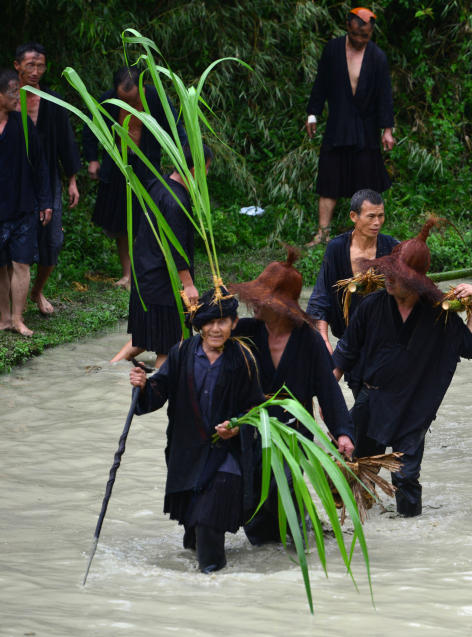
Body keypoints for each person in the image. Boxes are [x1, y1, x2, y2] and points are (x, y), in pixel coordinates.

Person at [331, 219, 472, 517]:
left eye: (395, 275)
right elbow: (344, 354)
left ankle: (410, 529)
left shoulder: (439, 315)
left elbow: (471, 347)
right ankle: (357, 525)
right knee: (351, 467)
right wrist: (323, 396)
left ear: (415, 282)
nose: (387, 279)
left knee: (405, 477)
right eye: (387, 271)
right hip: (371, 400)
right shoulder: (371, 306)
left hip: (414, 408)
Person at [129, 287, 264, 573]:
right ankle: (196, 594)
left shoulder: (244, 359)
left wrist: (236, 426)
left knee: (207, 522)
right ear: (199, 324)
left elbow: (255, 409)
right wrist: (143, 386)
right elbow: (157, 393)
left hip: (226, 456)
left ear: (234, 323)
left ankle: (213, 578)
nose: (216, 329)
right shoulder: (181, 353)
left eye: (223, 321)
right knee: (192, 537)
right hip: (187, 453)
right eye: (209, 322)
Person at [229, 246, 355, 544]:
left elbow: (328, 391)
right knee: (255, 505)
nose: (253, 305)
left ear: (281, 305)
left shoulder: (308, 341)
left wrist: (343, 433)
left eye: (262, 300)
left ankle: (297, 539)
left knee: (285, 491)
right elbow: (209, 342)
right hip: (252, 434)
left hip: (294, 436)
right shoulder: (244, 333)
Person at [111, 144, 210, 367]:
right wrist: (189, 285)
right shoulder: (177, 202)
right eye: (206, 169)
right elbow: (175, 250)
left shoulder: (159, 184)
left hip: (145, 278)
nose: (206, 175)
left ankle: (105, 370)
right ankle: (161, 395)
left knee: (143, 339)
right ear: (194, 169)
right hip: (163, 286)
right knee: (171, 349)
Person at [83, 66, 181, 288]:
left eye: (131, 99)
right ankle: (128, 274)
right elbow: (90, 129)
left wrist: (182, 159)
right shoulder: (108, 100)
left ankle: (148, 270)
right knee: (121, 222)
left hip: (147, 166)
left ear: (142, 88)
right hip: (118, 164)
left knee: (148, 219)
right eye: (122, 99)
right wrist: (93, 159)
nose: (126, 104)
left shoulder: (156, 99)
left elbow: (176, 129)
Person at [305, 7, 394, 247]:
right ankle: (323, 233)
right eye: (356, 35)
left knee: (367, 182)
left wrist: (387, 129)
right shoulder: (333, 50)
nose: (360, 40)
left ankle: (364, 234)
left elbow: (385, 95)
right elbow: (320, 84)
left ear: (371, 33)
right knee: (328, 180)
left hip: (366, 127)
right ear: (348, 26)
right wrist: (312, 113)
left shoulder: (377, 57)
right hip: (338, 123)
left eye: (365, 36)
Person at [14, 43, 81, 316]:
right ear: (17, 65)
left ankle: (37, 291)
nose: (35, 71)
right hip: (13, 178)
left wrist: (72, 180)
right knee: (11, 239)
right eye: (30, 65)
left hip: (48, 178)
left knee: (52, 241)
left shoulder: (52, 101)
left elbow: (67, 141)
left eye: (40, 65)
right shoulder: (6, 98)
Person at [306, 188, 399, 362]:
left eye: (381, 216)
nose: (377, 222)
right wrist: (323, 339)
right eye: (371, 216)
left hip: (385, 341)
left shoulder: (392, 247)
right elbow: (322, 295)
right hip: (349, 341)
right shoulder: (337, 248)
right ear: (353, 217)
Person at [0, 68, 52, 337]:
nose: (15, 98)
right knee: (1, 267)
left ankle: (18, 318)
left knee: (21, 264)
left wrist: (45, 201)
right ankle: (4, 318)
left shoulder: (23, 124)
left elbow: (41, 165)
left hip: (23, 206)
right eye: (11, 93)